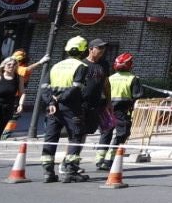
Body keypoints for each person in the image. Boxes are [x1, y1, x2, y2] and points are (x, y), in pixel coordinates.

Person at [43, 36, 108, 182]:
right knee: (76, 135)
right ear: (87, 50)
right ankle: (69, 169)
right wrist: (59, 100)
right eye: (99, 48)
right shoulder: (81, 66)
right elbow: (76, 87)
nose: (102, 51)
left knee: (52, 137)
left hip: (58, 106)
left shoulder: (56, 65)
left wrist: (51, 102)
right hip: (74, 106)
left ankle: (48, 172)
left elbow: (44, 87)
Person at [97, 52, 138, 171]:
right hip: (122, 111)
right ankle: (109, 159)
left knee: (106, 133)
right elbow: (137, 97)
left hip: (106, 110)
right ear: (129, 65)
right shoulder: (133, 79)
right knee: (122, 134)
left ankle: (100, 159)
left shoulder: (110, 78)